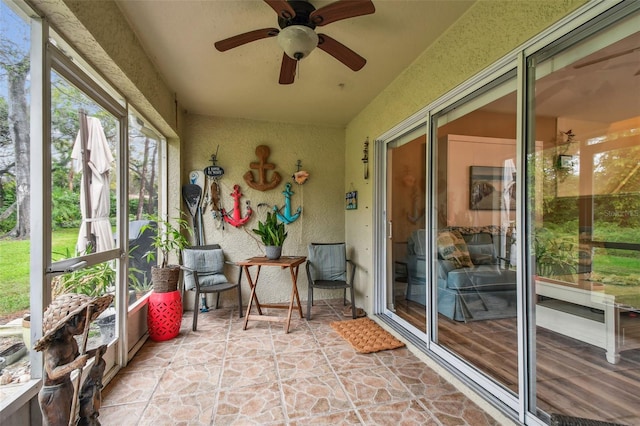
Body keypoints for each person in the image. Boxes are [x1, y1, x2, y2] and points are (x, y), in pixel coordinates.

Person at [34, 293, 113, 426]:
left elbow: (78, 357)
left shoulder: (72, 342)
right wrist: (74, 365)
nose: (86, 324)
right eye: (83, 321)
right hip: (53, 393)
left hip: (66, 386)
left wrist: (95, 352)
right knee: (59, 422)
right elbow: (52, 373)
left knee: (69, 419)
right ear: (69, 322)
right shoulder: (55, 347)